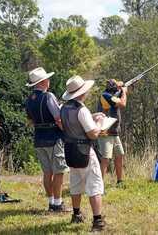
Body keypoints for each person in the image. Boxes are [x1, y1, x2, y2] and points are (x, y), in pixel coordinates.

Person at [61, 75, 106, 232]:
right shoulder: (82, 110)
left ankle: (76, 214)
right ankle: (97, 221)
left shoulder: (64, 108)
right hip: (84, 150)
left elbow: (71, 123)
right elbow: (93, 134)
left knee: (75, 183)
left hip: (70, 149)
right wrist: (99, 123)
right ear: (82, 92)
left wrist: (91, 117)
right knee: (94, 185)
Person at [25, 67, 70, 212]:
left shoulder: (29, 100)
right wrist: (66, 130)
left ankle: (51, 202)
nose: (49, 81)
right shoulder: (48, 96)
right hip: (53, 137)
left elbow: (30, 121)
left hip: (39, 138)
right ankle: (58, 204)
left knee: (47, 172)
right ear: (43, 81)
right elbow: (58, 118)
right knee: (59, 172)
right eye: (47, 79)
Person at [97, 79, 127, 185]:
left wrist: (124, 89)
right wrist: (123, 92)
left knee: (120, 155)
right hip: (106, 132)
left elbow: (120, 100)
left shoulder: (112, 96)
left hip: (113, 131)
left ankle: (120, 181)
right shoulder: (106, 96)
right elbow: (123, 104)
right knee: (106, 159)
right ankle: (99, 185)